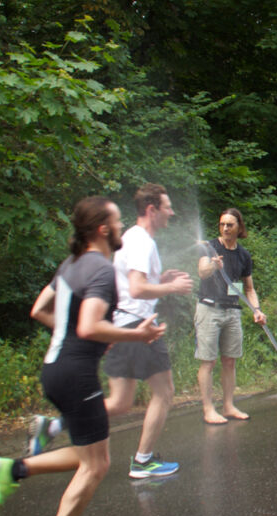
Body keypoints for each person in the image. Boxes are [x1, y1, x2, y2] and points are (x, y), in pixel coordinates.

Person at [0, 197, 166, 516]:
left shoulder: (71, 264)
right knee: (94, 467)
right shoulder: (101, 269)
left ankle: (14, 470)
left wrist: (88, 338)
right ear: (103, 228)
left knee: (91, 458)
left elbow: (39, 310)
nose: (123, 226)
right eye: (118, 221)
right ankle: (18, 477)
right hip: (77, 375)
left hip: (55, 369)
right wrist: (136, 336)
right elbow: (88, 325)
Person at [102, 183, 193, 478]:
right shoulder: (142, 241)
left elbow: (135, 284)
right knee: (165, 392)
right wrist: (171, 287)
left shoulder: (131, 237)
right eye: (167, 207)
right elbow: (137, 288)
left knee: (119, 402)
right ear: (152, 210)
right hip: (138, 326)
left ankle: (54, 424)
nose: (172, 212)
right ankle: (143, 461)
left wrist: (160, 278)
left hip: (124, 323)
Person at [196, 208, 267, 424]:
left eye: (230, 225)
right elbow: (201, 272)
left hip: (233, 311)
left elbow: (249, 289)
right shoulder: (209, 247)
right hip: (209, 308)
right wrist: (213, 265)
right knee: (208, 361)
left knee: (230, 361)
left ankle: (228, 406)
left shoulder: (243, 255)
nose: (225, 228)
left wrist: (257, 309)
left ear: (239, 228)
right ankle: (208, 409)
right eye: (222, 224)